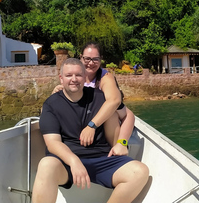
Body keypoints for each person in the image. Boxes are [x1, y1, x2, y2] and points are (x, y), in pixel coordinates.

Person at [32, 58, 149, 203]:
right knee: (46, 165)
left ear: (84, 77)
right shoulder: (51, 104)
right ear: (61, 79)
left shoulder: (100, 98)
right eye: (69, 75)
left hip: (102, 159)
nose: (74, 79)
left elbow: (127, 115)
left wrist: (122, 142)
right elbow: (52, 143)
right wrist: (74, 161)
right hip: (67, 163)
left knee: (139, 172)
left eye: (78, 75)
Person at [53, 42, 136, 156]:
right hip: (80, 125)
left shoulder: (105, 78)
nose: (91, 63)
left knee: (111, 112)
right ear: (81, 57)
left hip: (101, 128)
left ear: (101, 60)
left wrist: (122, 142)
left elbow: (117, 104)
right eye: (87, 59)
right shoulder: (74, 79)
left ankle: (115, 155)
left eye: (95, 59)